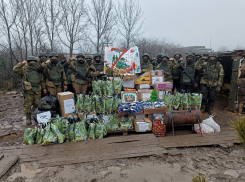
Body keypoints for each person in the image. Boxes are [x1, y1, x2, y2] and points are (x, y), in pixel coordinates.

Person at [13, 56, 46, 125]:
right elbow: (15, 69)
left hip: (37, 89)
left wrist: (44, 88)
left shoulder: (38, 69)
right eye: (31, 61)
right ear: (28, 62)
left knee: (37, 105)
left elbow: (42, 80)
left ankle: (36, 117)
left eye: (34, 61)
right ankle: (28, 119)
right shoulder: (25, 69)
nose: (32, 63)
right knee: (27, 105)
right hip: (29, 91)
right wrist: (22, 63)